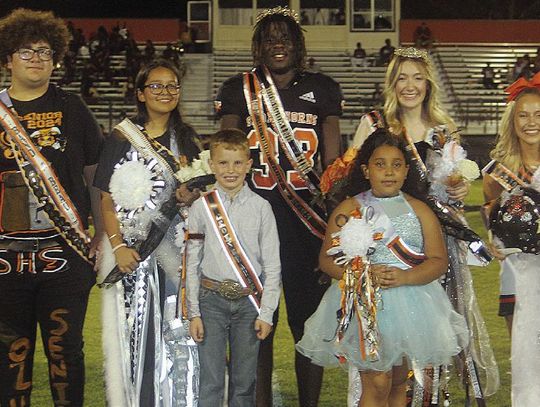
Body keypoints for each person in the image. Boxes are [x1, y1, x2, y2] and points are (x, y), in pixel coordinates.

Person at [333, 46, 498, 406]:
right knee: (383, 342)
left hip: (435, 245)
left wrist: (455, 188)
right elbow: (352, 181)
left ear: (429, 83)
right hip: (385, 247)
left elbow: (448, 188)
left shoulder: (443, 129)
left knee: (431, 334)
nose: (410, 86)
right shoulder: (374, 123)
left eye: (418, 78)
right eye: (402, 77)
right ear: (392, 83)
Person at [215, 7, 343, 406]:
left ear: (299, 44)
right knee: (256, 326)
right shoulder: (238, 88)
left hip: (306, 227)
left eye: (285, 37)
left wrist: (336, 220)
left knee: (308, 325)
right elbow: (225, 151)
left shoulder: (322, 88)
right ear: (258, 46)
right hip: (252, 224)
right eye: (269, 37)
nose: (278, 44)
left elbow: (334, 167)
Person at [297, 129, 469, 406]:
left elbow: (438, 262)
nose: (388, 172)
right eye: (380, 164)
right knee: (376, 380)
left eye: (396, 164)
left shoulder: (419, 210)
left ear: (405, 171)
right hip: (366, 305)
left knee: (399, 381)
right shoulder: (349, 209)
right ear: (366, 170)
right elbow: (326, 261)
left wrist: (405, 276)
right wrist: (360, 276)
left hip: (409, 303)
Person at [0, 9, 103, 406]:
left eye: (44, 51)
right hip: (6, 260)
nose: (37, 59)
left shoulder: (73, 109)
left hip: (64, 256)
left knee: (65, 355)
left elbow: (94, 172)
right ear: (8, 58)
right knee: (11, 356)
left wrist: (97, 232)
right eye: (26, 52)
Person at [94, 59, 202, 406]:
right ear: (140, 93)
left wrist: (190, 196)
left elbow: (200, 193)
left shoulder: (187, 138)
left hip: (176, 250)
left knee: (177, 328)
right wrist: (117, 246)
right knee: (137, 333)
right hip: (132, 250)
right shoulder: (122, 136)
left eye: (172, 85)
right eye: (156, 86)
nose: (165, 92)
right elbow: (105, 197)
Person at [186, 129, 281, 407]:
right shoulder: (201, 207)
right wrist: (193, 312)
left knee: (244, 384)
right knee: (211, 382)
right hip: (210, 301)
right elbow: (191, 262)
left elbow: (273, 266)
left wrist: (267, 313)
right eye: (223, 163)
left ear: (249, 165)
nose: (230, 170)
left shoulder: (262, 208)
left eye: (238, 163)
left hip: (249, 304)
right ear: (211, 165)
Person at [482, 73, 540, 406]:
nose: (530, 122)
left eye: (537, 114)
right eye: (523, 114)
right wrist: (494, 245)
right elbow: (495, 228)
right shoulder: (496, 172)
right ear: (512, 120)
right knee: (526, 362)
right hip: (517, 277)